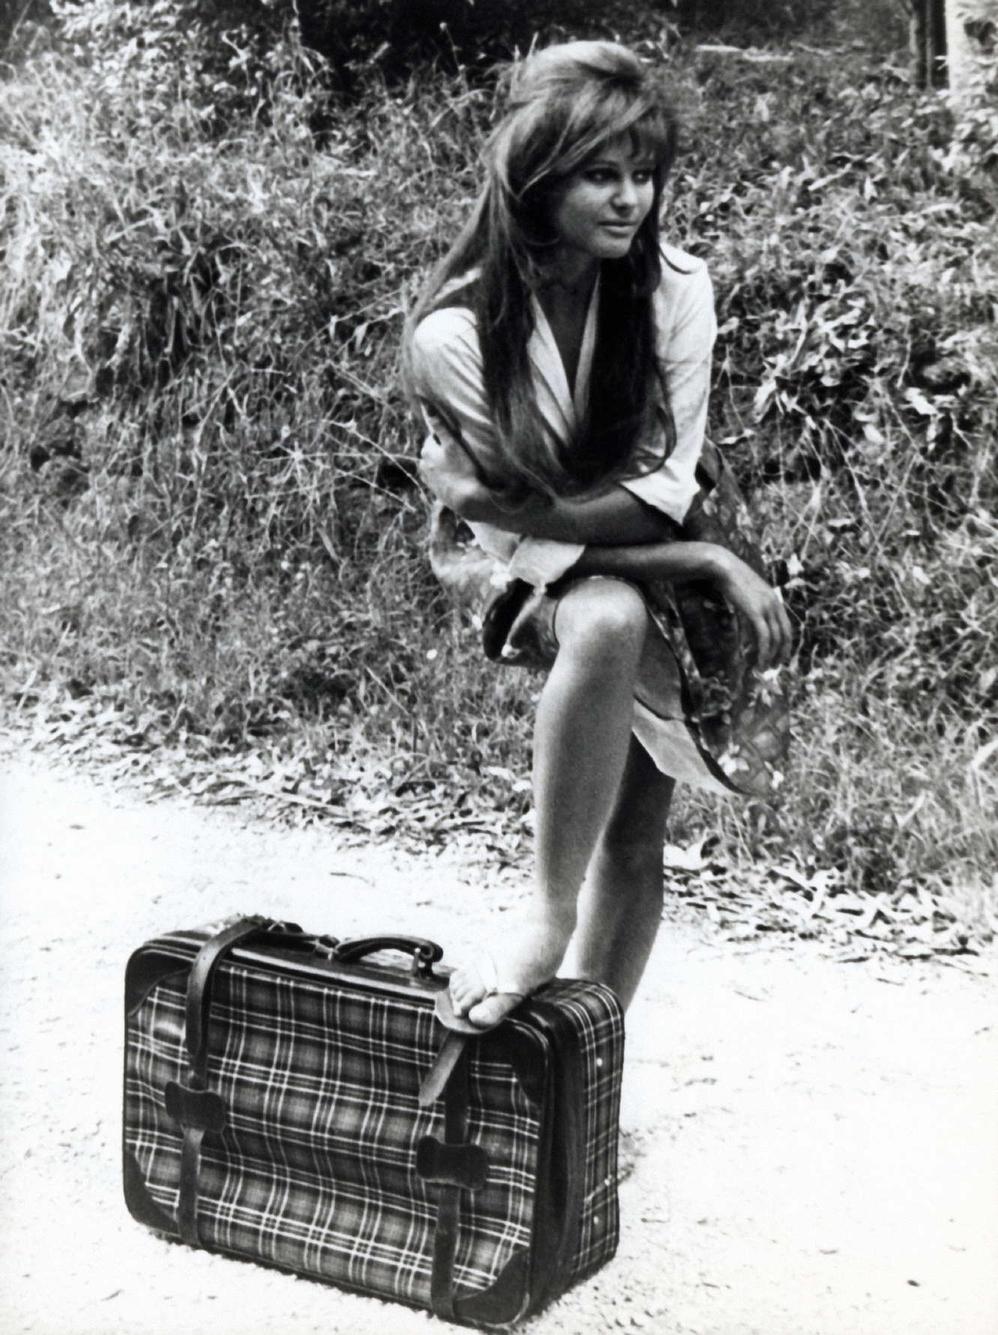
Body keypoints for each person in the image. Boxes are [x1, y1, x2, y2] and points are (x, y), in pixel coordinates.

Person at [405, 40, 792, 1032]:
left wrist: (689, 546)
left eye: (642, 174)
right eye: (599, 175)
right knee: (608, 618)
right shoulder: (455, 334)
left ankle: (585, 1072)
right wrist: (687, 554)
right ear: (539, 179)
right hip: (511, 568)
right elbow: (511, 541)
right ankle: (546, 913)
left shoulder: (675, 288)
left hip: (652, 539)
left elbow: (660, 493)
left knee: (635, 825)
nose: (629, 199)